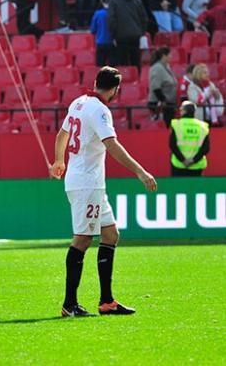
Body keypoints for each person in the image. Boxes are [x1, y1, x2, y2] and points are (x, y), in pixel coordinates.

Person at [50, 66, 157, 317]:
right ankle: (69, 304)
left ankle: (107, 302)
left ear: (96, 81)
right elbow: (112, 145)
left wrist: (59, 161)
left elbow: (61, 134)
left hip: (90, 183)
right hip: (87, 183)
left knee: (110, 234)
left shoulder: (78, 102)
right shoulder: (100, 110)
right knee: (83, 239)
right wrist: (141, 172)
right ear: (115, 90)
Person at [107, 0, 147, 68]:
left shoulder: (114, 1)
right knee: (136, 62)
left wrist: (113, 35)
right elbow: (144, 18)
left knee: (124, 65)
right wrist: (141, 32)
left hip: (121, 37)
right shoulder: (137, 0)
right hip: (136, 36)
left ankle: (127, 81)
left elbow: (111, 20)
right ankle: (137, 79)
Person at [169, 101, 210, 177]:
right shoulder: (203, 126)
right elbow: (206, 148)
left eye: (181, 109)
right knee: (197, 188)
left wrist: (183, 160)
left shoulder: (176, 124)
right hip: (197, 166)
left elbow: (172, 145)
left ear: (184, 111)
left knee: (178, 188)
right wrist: (193, 161)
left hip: (179, 165)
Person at [147, 47, 177, 126]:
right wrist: (163, 101)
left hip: (168, 104)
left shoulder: (166, 67)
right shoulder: (157, 68)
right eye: (169, 55)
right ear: (164, 56)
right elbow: (156, 87)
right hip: (161, 104)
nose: (171, 56)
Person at [90, 0, 116, 66]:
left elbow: (93, 30)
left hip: (100, 43)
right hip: (111, 42)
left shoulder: (97, 13)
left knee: (100, 65)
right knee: (112, 66)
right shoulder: (114, 13)